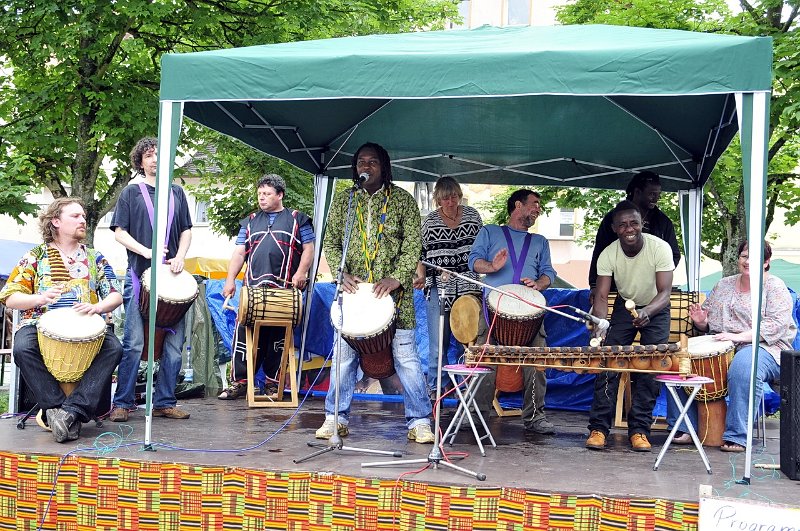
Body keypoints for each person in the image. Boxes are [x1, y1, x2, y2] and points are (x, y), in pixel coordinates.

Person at [315, 142, 434, 444]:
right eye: (361, 162)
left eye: (372, 162)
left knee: (407, 360)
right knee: (343, 359)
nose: (365, 167)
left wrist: (396, 278)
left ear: (384, 167)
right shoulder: (345, 201)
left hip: (396, 299)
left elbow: (413, 246)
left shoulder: (403, 201)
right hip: (354, 298)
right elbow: (330, 242)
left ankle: (419, 420)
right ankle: (335, 418)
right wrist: (340, 274)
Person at [0, 197, 123, 442]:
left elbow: (116, 295)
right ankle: (57, 408)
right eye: (75, 216)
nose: (83, 220)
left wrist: (98, 306)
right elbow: (9, 296)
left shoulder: (94, 257)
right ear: (56, 221)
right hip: (38, 324)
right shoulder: (35, 256)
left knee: (114, 347)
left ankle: (71, 411)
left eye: (84, 216)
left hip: (86, 327)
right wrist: (40, 298)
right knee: (23, 347)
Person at [667, 240, 795, 451]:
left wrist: (739, 337)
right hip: (722, 344)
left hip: (766, 347)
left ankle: (737, 435)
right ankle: (684, 426)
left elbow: (776, 325)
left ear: (766, 262)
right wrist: (701, 321)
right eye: (745, 256)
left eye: (755, 258)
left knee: (743, 366)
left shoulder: (775, 287)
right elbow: (709, 324)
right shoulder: (723, 284)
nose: (748, 262)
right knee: (680, 359)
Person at [108, 137, 193, 422]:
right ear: (140, 161)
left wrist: (180, 256)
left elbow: (186, 231)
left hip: (171, 275)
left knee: (174, 345)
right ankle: (123, 402)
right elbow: (119, 232)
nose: (155, 159)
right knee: (133, 342)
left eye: (160, 155)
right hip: (137, 276)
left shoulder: (177, 192)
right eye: (149, 155)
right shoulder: (130, 193)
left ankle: (165, 401)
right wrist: (147, 251)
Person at [585, 200, 675, 451]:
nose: (629, 228)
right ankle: (598, 428)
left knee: (649, 366)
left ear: (642, 223)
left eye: (634, 222)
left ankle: (639, 431)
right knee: (609, 362)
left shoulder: (661, 248)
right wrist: (601, 324)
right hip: (625, 305)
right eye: (622, 224)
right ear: (614, 228)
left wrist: (647, 311)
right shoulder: (608, 254)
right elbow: (602, 297)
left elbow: (665, 293)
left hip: (656, 307)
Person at [468, 189, 557, 435]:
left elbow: (550, 272)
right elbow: (473, 261)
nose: (538, 209)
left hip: (531, 312)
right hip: (492, 310)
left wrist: (540, 283)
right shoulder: (490, 232)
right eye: (535, 204)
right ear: (518, 205)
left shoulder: (540, 242)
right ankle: (476, 415)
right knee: (484, 360)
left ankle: (535, 417)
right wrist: (492, 265)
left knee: (537, 362)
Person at [218, 174, 315, 400]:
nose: (262, 198)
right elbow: (240, 252)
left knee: (278, 336)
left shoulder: (298, 219)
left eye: (267, 194)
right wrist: (230, 279)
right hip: (252, 289)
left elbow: (309, 249)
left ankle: (273, 384)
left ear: (280, 195)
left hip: (283, 289)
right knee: (244, 333)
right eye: (260, 193)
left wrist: (301, 273)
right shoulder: (250, 220)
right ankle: (240, 382)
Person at [413, 176, 483, 397]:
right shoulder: (429, 221)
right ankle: (437, 387)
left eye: (453, 196)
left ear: (459, 195)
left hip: (468, 282)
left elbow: (483, 247)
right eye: (445, 198)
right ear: (437, 200)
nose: (451, 201)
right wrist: (421, 276)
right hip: (438, 284)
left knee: (471, 337)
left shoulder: (472, 215)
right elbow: (419, 255)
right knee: (438, 342)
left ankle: (472, 386)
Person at [588, 171, 680, 302]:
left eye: (658, 194)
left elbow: (674, 255)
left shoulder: (663, 222)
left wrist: (658, 274)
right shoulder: (612, 218)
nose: (656, 198)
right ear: (637, 192)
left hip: (652, 294)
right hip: (617, 291)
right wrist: (594, 285)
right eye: (652, 194)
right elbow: (600, 252)